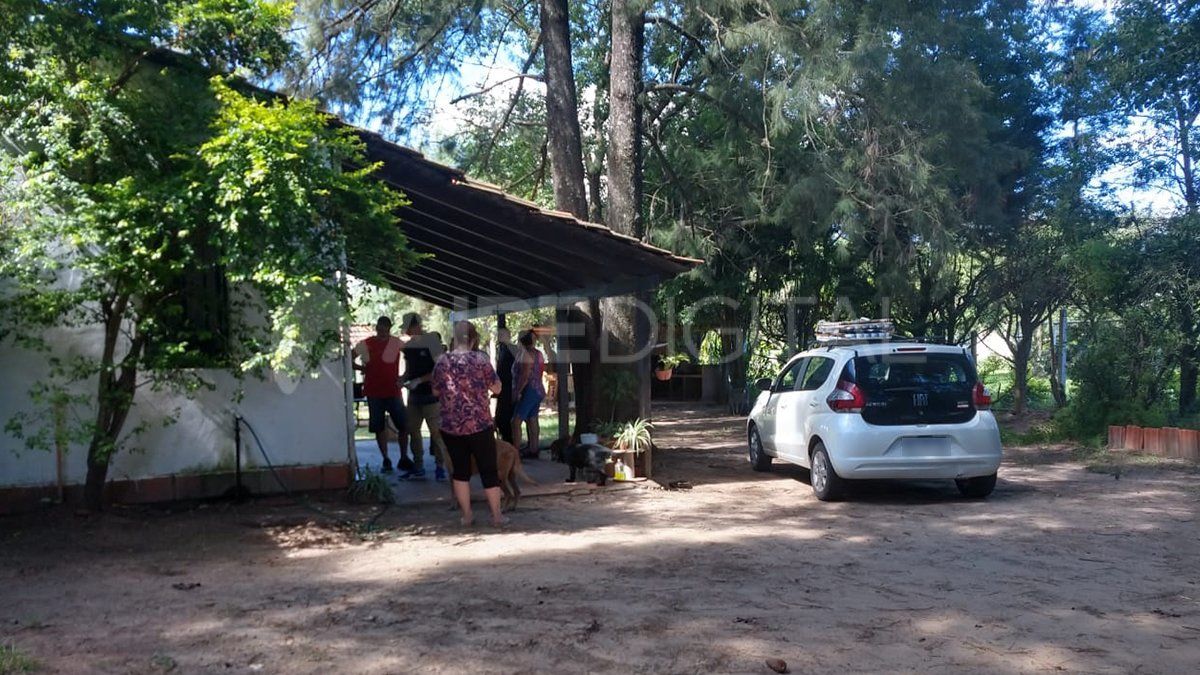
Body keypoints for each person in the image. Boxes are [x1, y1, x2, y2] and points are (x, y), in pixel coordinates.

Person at [432, 320, 506, 527]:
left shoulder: (442, 362)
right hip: (479, 424)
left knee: (460, 471)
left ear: (454, 339)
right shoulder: (481, 360)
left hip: (451, 426)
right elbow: (497, 389)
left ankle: (467, 515)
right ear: (473, 339)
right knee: (488, 469)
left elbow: (435, 391)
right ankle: (497, 516)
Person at [352, 316, 409, 473]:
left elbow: (411, 356)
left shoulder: (396, 342)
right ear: (376, 327)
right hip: (374, 392)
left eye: (385, 329)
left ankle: (404, 457)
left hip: (393, 391)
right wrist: (361, 369)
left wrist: (404, 376)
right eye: (380, 328)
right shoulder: (368, 343)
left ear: (389, 328)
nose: (382, 331)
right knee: (378, 427)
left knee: (404, 425)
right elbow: (350, 357)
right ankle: (386, 458)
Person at [400, 313, 448, 481]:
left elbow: (439, 369)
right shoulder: (407, 347)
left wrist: (419, 380)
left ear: (417, 327)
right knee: (413, 430)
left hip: (431, 395)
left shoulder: (432, 343)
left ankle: (441, 466)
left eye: (409, 328)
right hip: (414, 397)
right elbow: (408, 369)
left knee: (436, 432)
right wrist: (402, 379)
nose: (407, 331)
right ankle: (418, 466)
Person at [511, 329, 546, 458]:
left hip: (529, 390)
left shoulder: (525, 354)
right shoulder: (538, 354)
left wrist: (518, 392)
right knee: (532, 419)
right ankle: (534, 448)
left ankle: (515, 452)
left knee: (516, 421)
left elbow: (525, 376)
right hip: (538, 389)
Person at [493, 328, 517, 443]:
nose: (499, 337)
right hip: (502, 387)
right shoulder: (501, 349)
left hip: (509, 387)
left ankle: (509, 441)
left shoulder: (512, 349)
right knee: (500, 417)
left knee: (505, 417)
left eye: (501, 335)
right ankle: (506, 439)